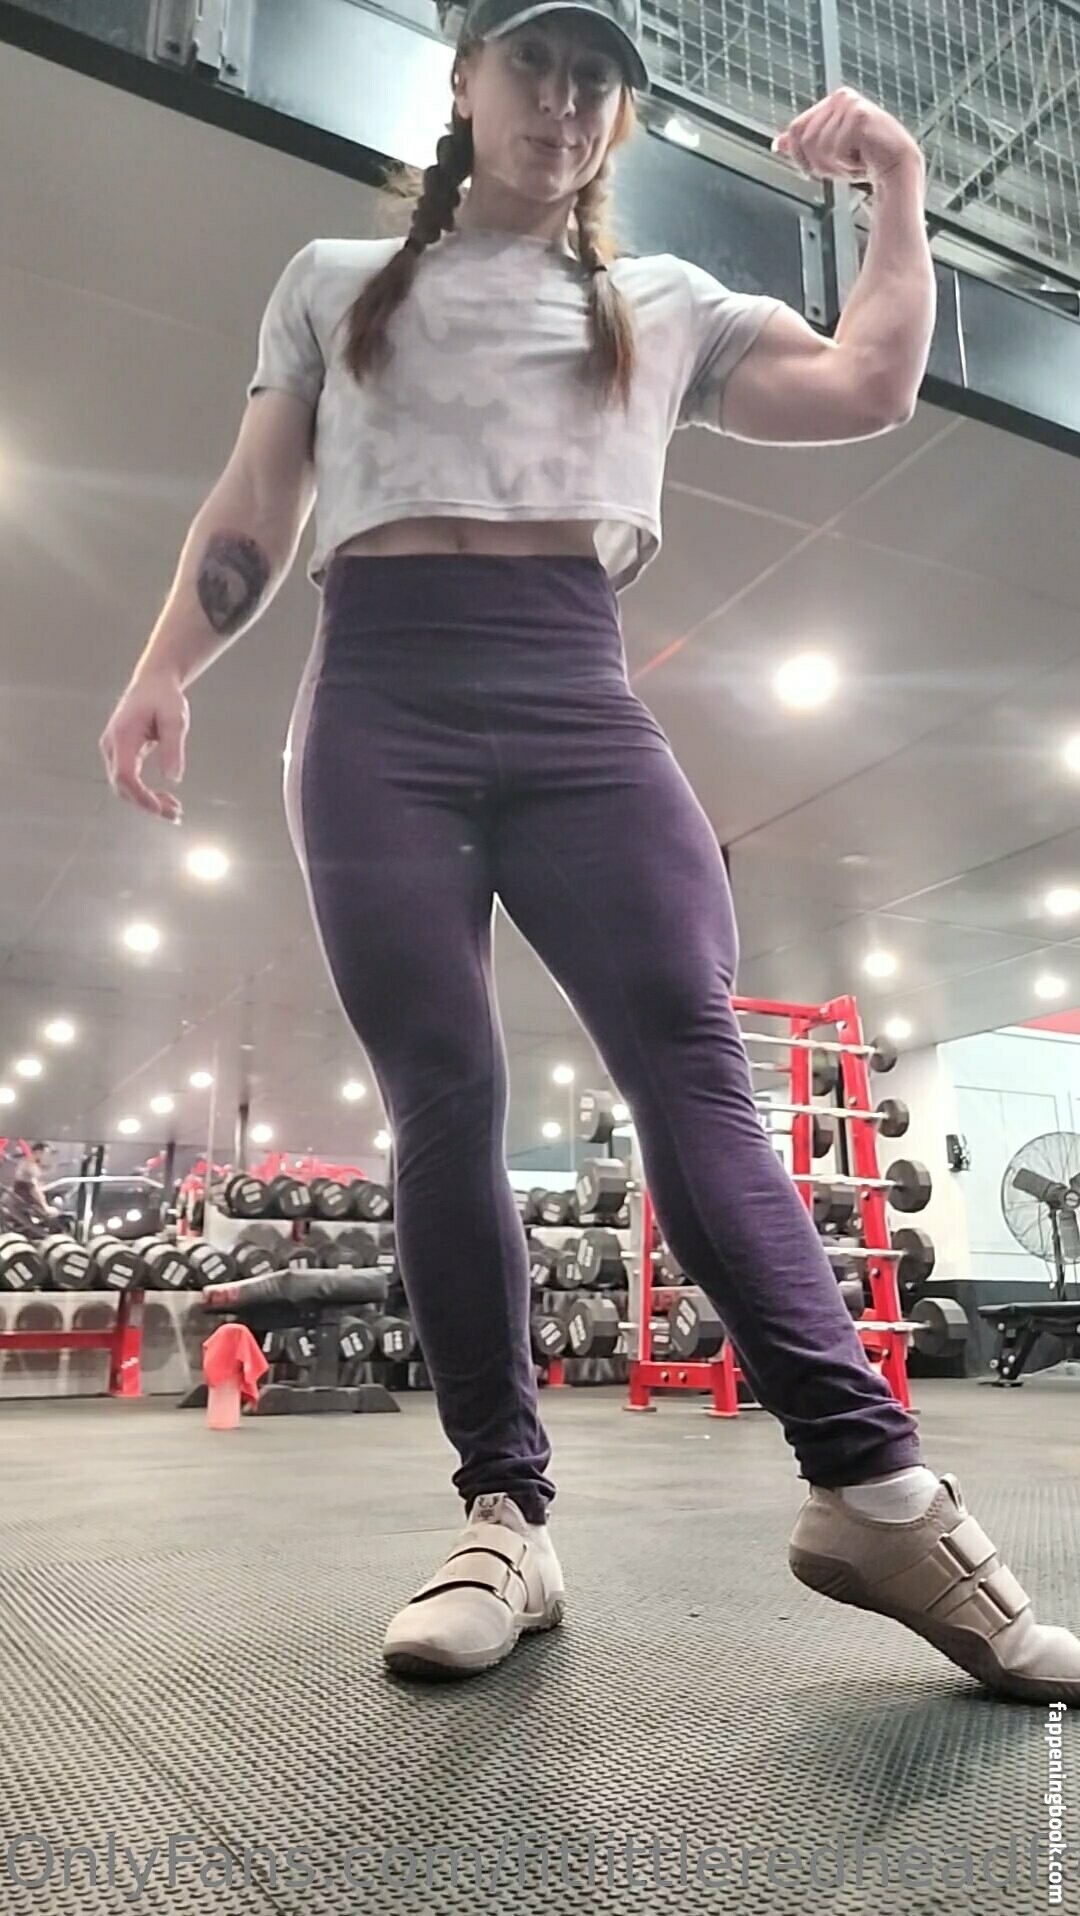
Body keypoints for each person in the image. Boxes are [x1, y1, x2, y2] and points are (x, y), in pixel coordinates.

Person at [100, 0, 1079, 1700]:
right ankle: (504, 1517)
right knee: (446, 1097)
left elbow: (869, 384)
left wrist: (904, 185)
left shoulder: (664, 305)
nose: (565, 101)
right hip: (378, 704)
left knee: (694, 1063)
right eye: (534, 64)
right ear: (465, 79)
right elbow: (259, 498)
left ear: (617, 114)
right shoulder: (335, 280)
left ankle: (875, 1492)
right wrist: (162, 667)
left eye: (597, 78)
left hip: (575, 694)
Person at [3, 1142, 55, 1241]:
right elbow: (34, 1189)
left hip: (21, 1199)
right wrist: (45, 1207)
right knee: (50, 1218)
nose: (47, 1157)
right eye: (46, 1154)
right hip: (21, 1201)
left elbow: (35, 1186)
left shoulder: (29, 1163)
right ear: (38, 1152)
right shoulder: (29, 1165)